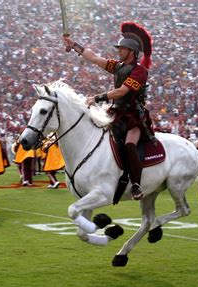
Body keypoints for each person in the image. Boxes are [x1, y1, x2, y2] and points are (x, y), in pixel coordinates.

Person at [63, 22, 154, 200]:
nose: (118, 51)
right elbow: (94, 58)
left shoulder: (140, 71)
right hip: (116, 113)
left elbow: (122, 91)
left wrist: (97, 98)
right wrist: (73, 45)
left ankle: (136, 184)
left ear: (132, 52)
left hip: (134, 117)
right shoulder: (117, 66)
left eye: (122, 48)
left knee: (129, 145)